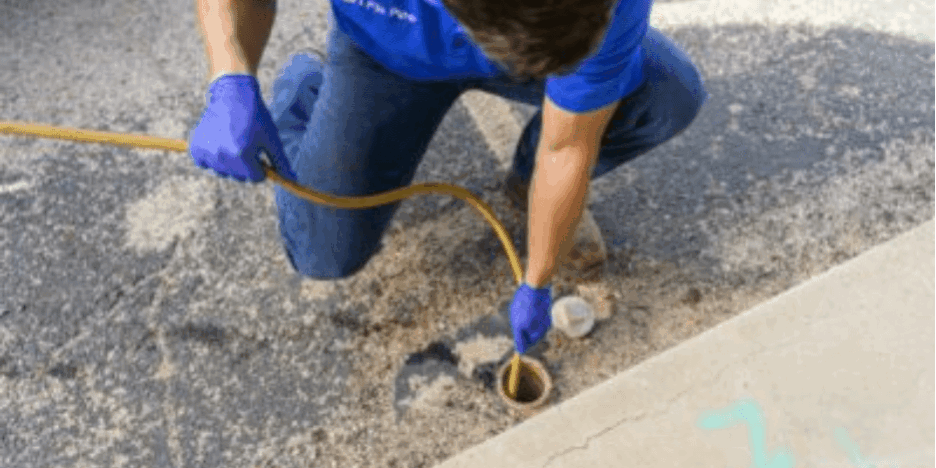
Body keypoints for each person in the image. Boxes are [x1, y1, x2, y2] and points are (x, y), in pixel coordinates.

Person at [188, 0, 707, 355]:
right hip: (386, 52)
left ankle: (527, 187)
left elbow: (568, 143)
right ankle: (304, 91)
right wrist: (230, 77)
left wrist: (539, 279)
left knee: (665, 96)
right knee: (323, 253)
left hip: (526, 44)